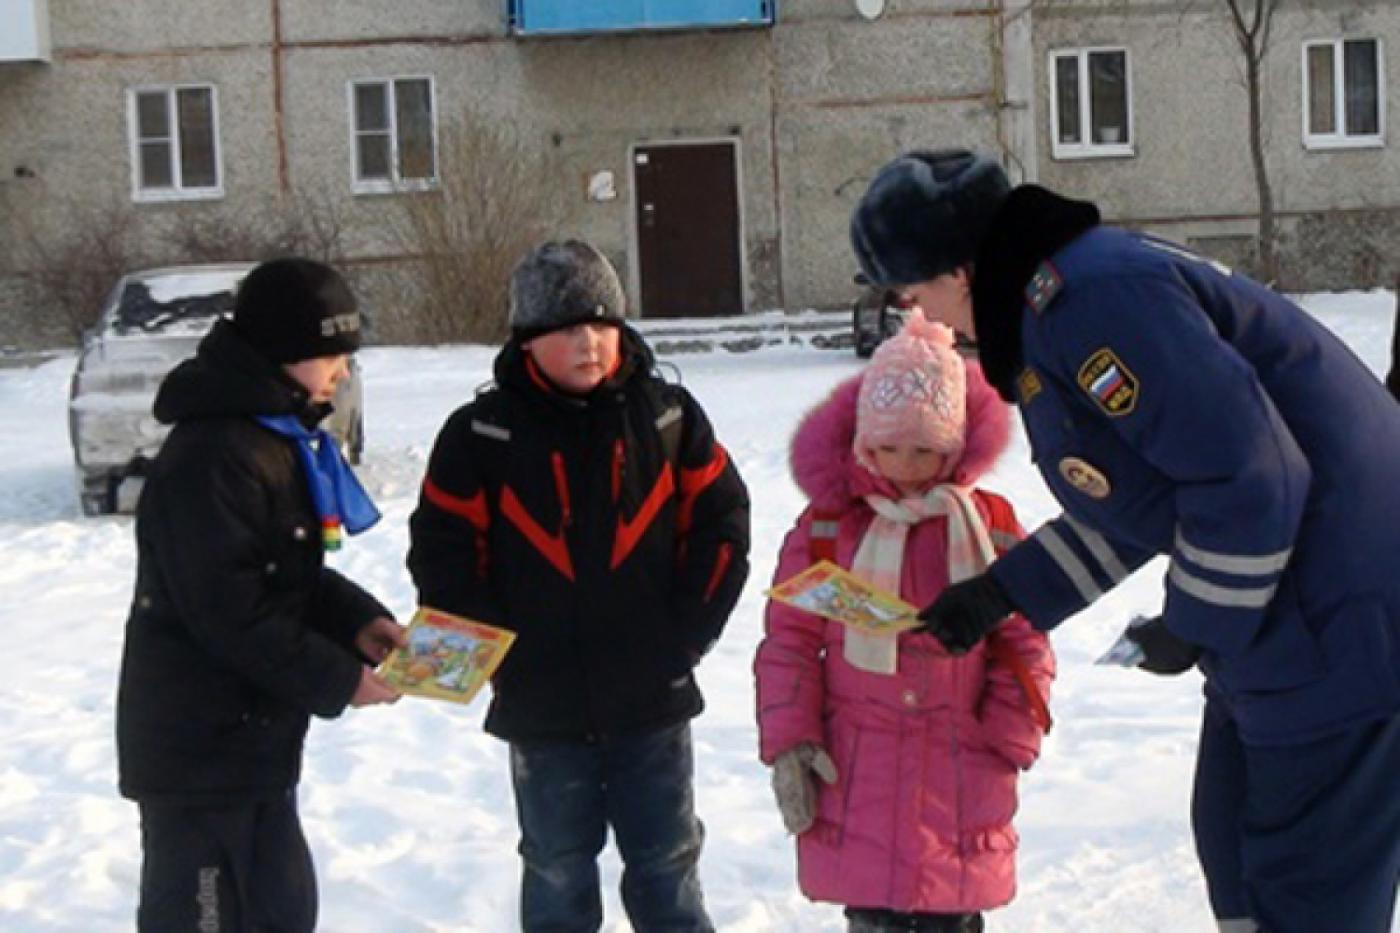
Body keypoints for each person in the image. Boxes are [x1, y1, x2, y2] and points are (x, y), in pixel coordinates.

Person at [850, 149, 1400, 933]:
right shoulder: (1058, 310)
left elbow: (1251, 476)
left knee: (1305, 881)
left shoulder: (1095, 301)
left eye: (919, 289)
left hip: (1342, 611)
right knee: (1233, 837)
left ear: (963, 268)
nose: (925, 316)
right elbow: (1148, 494)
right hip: (1288, 601)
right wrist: (1001, 593)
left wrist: (1193, 622)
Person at [407, 239, 751, 933]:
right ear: (527, 341)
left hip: (651, 698)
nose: (589, 342)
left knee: (667, 863)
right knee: (557, 866)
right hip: (542, 707)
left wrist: (683, 637)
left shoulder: (668, 417)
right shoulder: (481, 434)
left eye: (602, 324)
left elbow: (722, 527)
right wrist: (499, 656)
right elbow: (443, 556)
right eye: (567, 328)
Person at [115, 257, 406, 932]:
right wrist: (341, 678)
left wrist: (360, 622)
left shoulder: (269, 437)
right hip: (198, 758)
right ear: (282, 352)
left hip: (252, 747)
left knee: (281, 910)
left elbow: (282, 572)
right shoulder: (213, 455)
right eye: (330, 352)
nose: (341, 369)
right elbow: (229, 613)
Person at [754, 309, 1055, 933]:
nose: (906, 464)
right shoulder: (830, 529)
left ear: (955, 445)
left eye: (925, 449)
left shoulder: (987, 524)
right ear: (863, 441)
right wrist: (792, 739)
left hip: (962, 761)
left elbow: (1024, 640)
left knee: (951, 913)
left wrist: (1006, 734)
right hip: (856, 764)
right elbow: (788, 641)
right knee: (873, 915)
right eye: (888, 447)